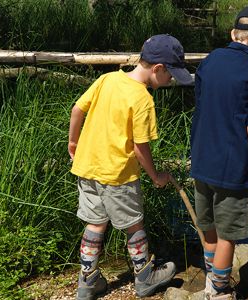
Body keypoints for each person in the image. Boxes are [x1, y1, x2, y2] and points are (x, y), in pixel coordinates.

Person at [67, 34, 194, 299]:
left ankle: (87, 281)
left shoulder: (108, 79)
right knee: (134, 225)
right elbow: (139, 147)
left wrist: (73, 142)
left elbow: (77, 109)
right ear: (158, 69)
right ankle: (144, 277)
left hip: (87, 168)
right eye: (171, 75)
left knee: (95, 224)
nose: (171, 80)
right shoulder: (143, 99)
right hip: (119, 174)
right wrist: (156, 175)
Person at [190, 4, 248, 299]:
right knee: (228, 232)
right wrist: (246, 161)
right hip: (231, 164)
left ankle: (209, 279)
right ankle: (218, 291)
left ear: (233, 34)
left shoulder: (210, 60)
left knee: (208, 225)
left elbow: (201, 106)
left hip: (201, 157)